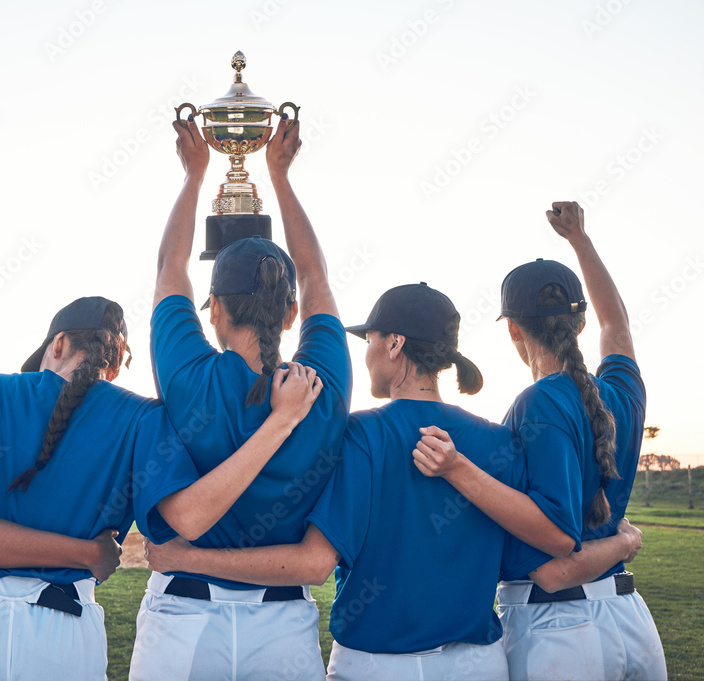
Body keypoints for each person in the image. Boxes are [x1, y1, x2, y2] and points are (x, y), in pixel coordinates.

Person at [0, 296, 323, 681]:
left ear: (58, 343)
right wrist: (278, 425)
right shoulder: (142, 416)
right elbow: (188, 519)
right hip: (66, 627)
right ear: (117, 363)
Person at [145, 283, 642, 681]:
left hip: (374, 662)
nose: (367, 354)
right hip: (478, 663)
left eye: (371, 341)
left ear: (396, 345)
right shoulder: (499, 441)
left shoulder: (361, 435)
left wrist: (185, 556)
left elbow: (314, 562)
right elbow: (542, 552)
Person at [128, 114, 352, 681]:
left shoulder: (190, 377)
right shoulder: (319, 383)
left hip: (183, 616)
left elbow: (168, 269)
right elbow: (317, 275)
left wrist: (194, 173)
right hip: (281, 626)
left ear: (216, 312)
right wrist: (280, 174)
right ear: (292, 313)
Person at [413, 202, 667, 680]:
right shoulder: (622, 392)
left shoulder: (535, 405)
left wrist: (624, 542)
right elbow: (619, 326)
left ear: (512, 329)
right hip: (632, 621)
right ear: (581, 324)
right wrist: (580, 240)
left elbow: (553, 570)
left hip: (556, 629)